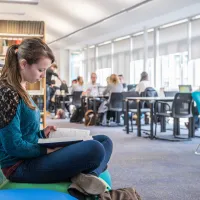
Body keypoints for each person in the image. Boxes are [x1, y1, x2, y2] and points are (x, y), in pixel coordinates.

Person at [0, 38, 113, 195]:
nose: (44, 75)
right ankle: (86, 176)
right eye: (40, 70)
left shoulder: (21, 87)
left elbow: (25, 132)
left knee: (104, 141)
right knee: (95, 149)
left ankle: (87, 179)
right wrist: (47, 151)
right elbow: (13, 146)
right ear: (23, 64)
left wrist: (42, 133)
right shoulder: (8, 93)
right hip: (19, 166)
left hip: (32, 154)